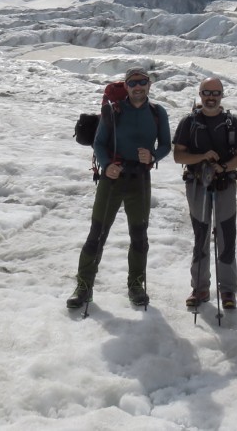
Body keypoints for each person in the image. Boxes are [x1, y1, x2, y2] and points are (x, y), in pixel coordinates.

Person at [67, 67, 171, 309]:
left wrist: (153, 156)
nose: (138, 87)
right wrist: (106, 165)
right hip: (112, 180)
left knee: (139, 236)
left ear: (149, 85)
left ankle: (136, 285)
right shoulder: (113, 111)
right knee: (96, 235)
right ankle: (84, 286)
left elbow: (166, 144)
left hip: (140, 181)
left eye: (142, 82)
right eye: (133, 83)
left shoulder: (158, 112)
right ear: (126, 86)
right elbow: (99, 142)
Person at [173, 77, 237, 309]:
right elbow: (179, 156)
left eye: (216, 93)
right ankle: (200, 287)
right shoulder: (189, 122)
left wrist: (223, 167)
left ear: (222, 95)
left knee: (226, 235)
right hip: (197, 184)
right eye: (207, 92)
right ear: (201, 94)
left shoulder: (232, 123)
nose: (211, 97)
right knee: (201, 235)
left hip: (224, 184)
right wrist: (203, 157)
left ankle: (227, 290)